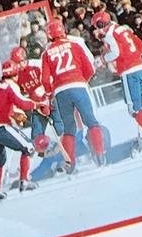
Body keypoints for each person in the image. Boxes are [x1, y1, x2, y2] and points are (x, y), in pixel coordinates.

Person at [40, 17, 107, 171]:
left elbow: (44, 79)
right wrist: (83, 80)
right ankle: (99, 154)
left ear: (49, 34)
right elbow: (89, 67)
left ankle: (70, 163)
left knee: (69, 128)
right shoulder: (75, 44)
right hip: (78, 86)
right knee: (91, 121)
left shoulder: (46, 53)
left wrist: (50, 94)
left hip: (61, 91)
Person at [91, 10, 142, 154]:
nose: (96, 30)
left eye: (97, 26)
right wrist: (133, 56)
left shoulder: (109, 35)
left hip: (129, 71)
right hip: (140, 67)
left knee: (134, 108)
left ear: (101, 23)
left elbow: (116, 53)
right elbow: (139, 43)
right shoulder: (122, 28)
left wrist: (103, 60)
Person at [0, 59, 40, 201]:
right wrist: (38, 105)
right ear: (15, 74)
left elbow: (0, 104)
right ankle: (24, 181)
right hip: (0, 127)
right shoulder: (11, 85)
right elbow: (22, 102)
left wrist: (13, 112)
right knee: (29, 147)